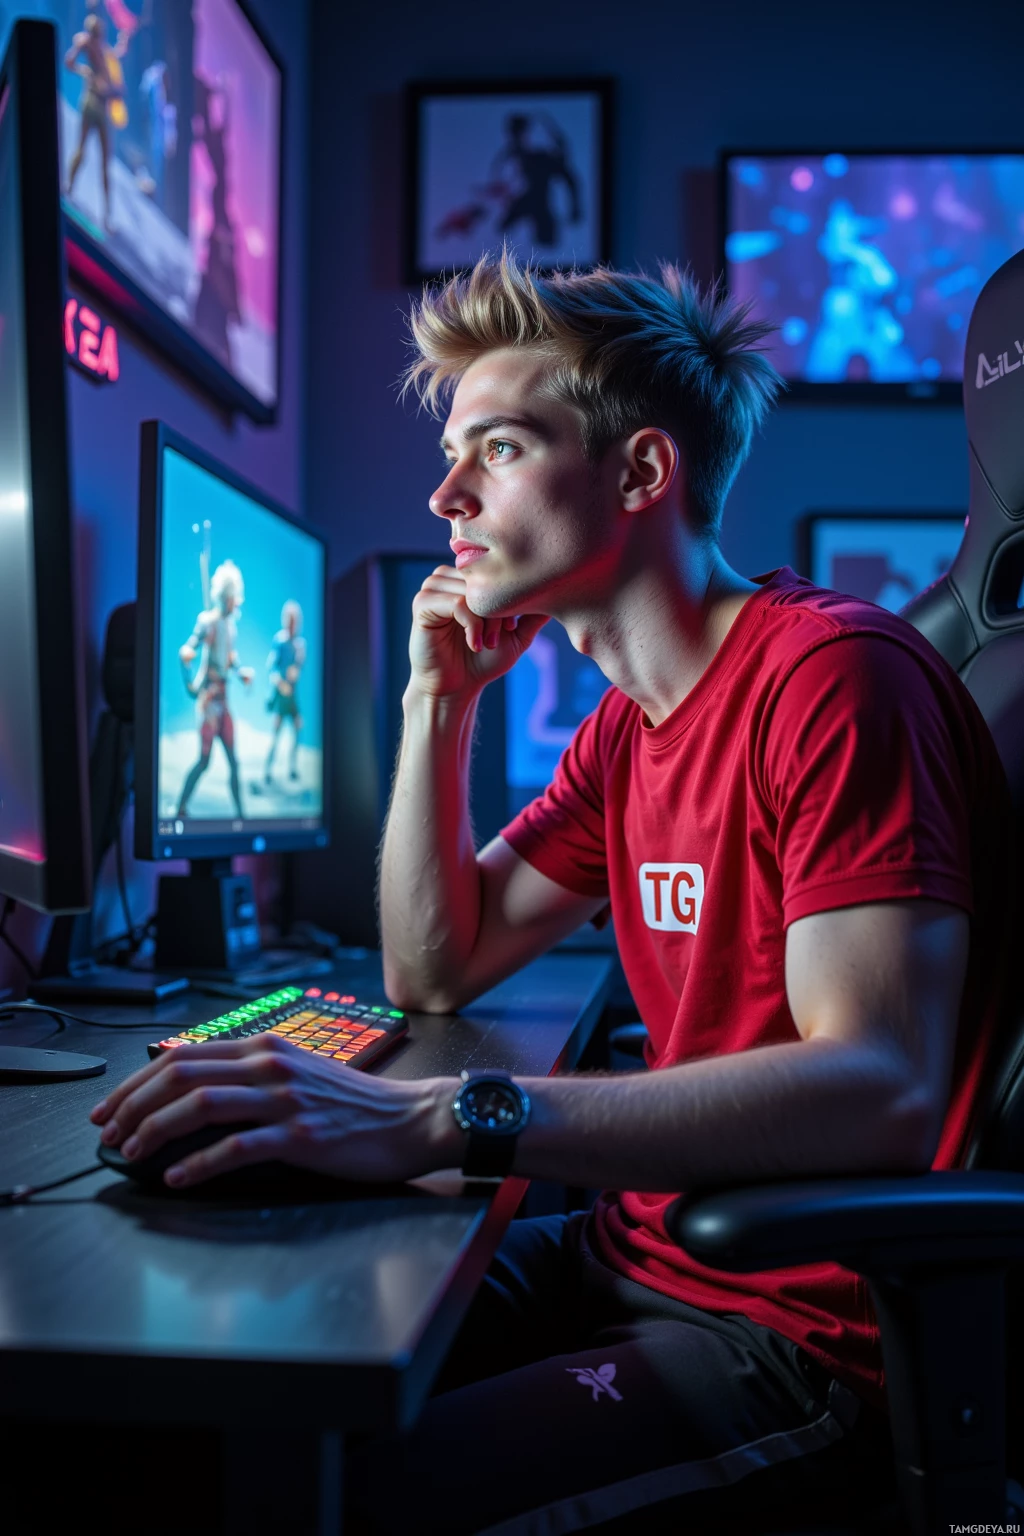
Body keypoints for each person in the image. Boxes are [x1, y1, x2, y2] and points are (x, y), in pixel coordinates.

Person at [91, 253, 1011, 1534]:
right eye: (452, 455)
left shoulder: (834, 680)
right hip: (632, 1251)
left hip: (791, 1331)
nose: (445, 494)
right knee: (186, 1427)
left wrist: (436, 1118)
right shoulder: (626, 732)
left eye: (500, 448)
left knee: (327, 1503)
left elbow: (881, 1090)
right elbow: (434, 967)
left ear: (640, 474)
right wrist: (439, 702)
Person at [176, 557, 254, 820]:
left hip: (224, 699)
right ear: (225, 597)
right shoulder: (207, 621)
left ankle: (241, 817)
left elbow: (230, 659)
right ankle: (180, 809)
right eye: (232, 598)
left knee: (234, 761)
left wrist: (241, 673)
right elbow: (190, 646)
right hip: (209, 700)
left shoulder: (230, 628)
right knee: (204, 760)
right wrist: (187, 655)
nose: (235, 602)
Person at [264, 599, 306, 784]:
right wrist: (279, 682)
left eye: (295, 620)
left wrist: (297, 667)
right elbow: (271, 666)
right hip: (281, 694)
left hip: (292, 696)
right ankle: (267, 771)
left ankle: (292, 769)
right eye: (290, 620)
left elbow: (298, 666)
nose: (292, 624)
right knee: (276, 732)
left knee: (297, 727)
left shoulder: (299, 644)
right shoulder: (279, 641)